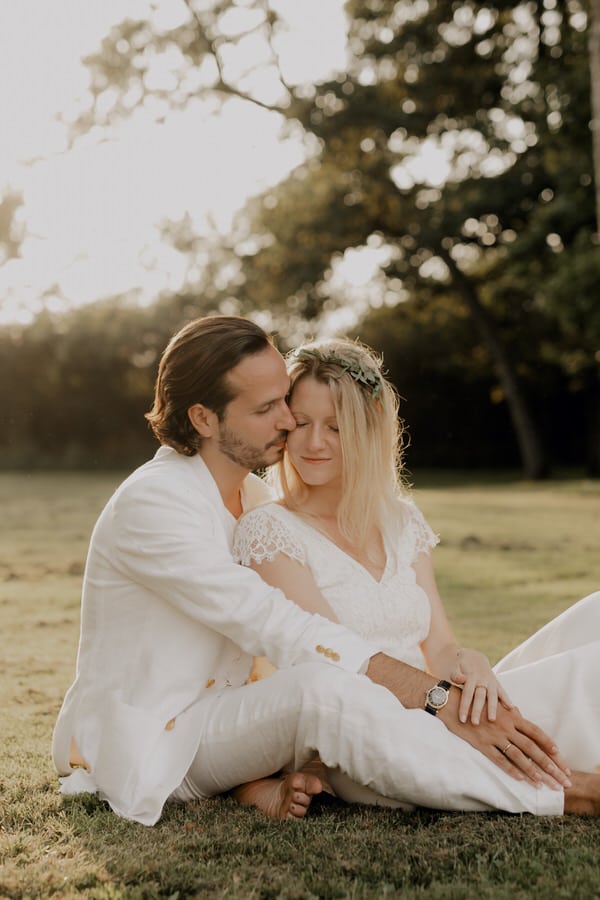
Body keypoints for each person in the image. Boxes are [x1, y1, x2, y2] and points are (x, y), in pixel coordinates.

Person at [52, 316, 597, 827]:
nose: (290, 424)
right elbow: (284, 630)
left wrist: (462, 670)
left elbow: (428, 642)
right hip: (164, 732)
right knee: (320, 686)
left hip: (251, 714)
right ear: (204, 418)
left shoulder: (252, 491)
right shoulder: (156, 505)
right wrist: (438, 698)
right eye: (270, 409)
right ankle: (562, 791)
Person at [232, 336, 600, 812]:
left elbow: (441, 647)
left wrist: (472, 663)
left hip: (441, 708)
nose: (313, 441)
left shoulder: (402, 521)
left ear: (367, 432)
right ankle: (579, 789)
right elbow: (331, 667)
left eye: (336, 427)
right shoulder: (269, 531)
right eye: (300, 423)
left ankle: (541, 755)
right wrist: (442, 703)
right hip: (372, 736)